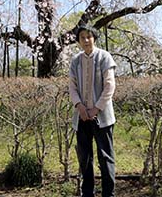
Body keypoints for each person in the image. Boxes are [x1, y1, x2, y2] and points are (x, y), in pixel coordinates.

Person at [69, 24, 116, 197]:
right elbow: (72, 87)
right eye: (82, 37)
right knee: (84, 158)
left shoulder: (104, 57)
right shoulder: (75, 61)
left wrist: (96, 108)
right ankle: (87, 193)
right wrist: (80, 107)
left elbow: (109, 86)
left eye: (89, 36)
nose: (86, 40)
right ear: (79, 41)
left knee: (106, 157)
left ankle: (108, 194)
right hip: (81, 116)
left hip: (102, 116)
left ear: (94, 38)